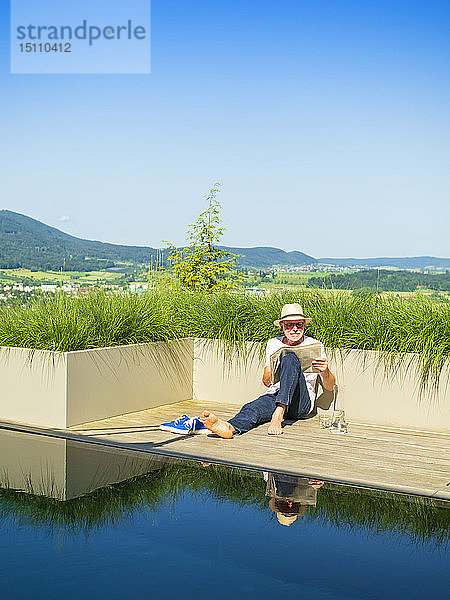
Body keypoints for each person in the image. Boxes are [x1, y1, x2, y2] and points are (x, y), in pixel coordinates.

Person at [200, 303, 336, 438]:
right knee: (253, 408)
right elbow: (266, 382)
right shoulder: (274, 343)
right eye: (289, 325)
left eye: (298, 324)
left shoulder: (314, 345)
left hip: (300, 404)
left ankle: (278, 414)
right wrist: (272, 368)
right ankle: (229, 427)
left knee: (290, 359)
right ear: (282, 326)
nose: (295, 329)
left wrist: (325, 371)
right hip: (275, 395)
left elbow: (329, 387)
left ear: (304, 325)